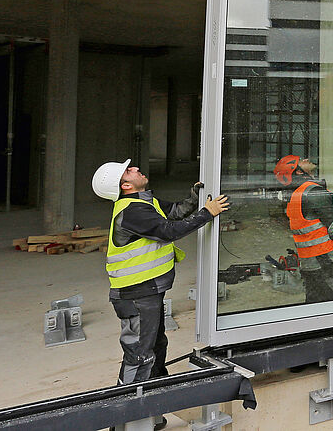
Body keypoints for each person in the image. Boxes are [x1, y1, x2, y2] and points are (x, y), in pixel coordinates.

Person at [90, 160, 229, 389]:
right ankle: (128, 416)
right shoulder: (132, 212)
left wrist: (194, 199)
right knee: (140, 355)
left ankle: (153, 406)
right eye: (128, 171)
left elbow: (173, 212)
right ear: (125, 185)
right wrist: (207, 213)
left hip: (146, 291)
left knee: (155, 346)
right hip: (136, 294)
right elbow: (168, 231)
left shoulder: (144, 202)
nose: (135, 168)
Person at [273, 155, 333, 303]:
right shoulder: (313, 192)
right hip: (329, 263)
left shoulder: (297, 195)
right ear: (298, 171)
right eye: (301, 161)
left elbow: (316, 220)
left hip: (310, 264)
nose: (306, 159)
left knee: (316, 305)